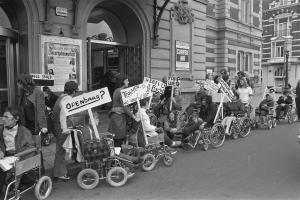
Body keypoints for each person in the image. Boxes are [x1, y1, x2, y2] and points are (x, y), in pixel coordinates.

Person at [0, 108, 35, 196]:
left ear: (16, 119)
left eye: (6, 117)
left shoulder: (24, 131)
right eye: (3, 116)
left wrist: (20, 158)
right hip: (5, 155)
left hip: (18, 156)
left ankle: (9, 189)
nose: (3, 119)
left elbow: (31, 148)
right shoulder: (1, 129)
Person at [52, 81, 79, 180]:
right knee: (61, 150)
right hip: (60, 127)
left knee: (61, 148)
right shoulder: (67, 99)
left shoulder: (62, 97)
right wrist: (64, 129)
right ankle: (59, 173)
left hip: (56, 125)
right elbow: (63, 115)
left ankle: (60, 171)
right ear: (74, 90)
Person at [108, 74, 139, 148]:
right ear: (122, 82)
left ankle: (118, 156)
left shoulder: (117, 91)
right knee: (118, 141)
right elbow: (124, 107)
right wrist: (134, 117)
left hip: (117, 118)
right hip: (118, 119)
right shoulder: (121, 92)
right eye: (126, 80)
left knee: (118, 141)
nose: (128, 82)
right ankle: (117, 157)